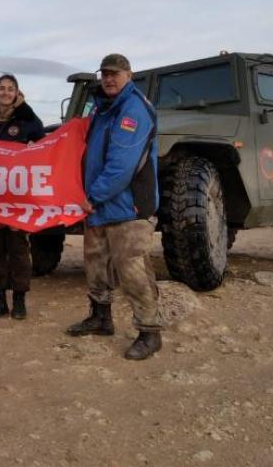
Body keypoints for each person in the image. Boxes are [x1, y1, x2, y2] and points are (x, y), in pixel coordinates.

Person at [66, 53, 164, 360]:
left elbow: (122, 165)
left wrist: (92, 196)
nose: (109, 79)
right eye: (105, 74)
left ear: (129, 75)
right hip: (99, 206)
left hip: (128, 206)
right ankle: (100, 318)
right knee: (96, 264)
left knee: (132, 268)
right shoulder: (102, 109)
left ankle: (149, 331)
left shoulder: (132, 110)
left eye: (115, 74)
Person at [0, 73, 45, 320]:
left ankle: (19, 300)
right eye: (1, 88)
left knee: (19, 249)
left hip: (18, 198)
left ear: (17, 92)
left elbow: (45, 150)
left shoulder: (29, 120)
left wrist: (34, 151)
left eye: (10, 88)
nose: (5, 92)